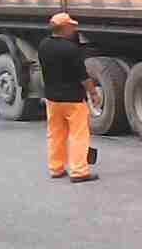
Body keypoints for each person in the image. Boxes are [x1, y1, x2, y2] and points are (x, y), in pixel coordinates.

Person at [38, 12, 99, 183]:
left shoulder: (43, 45)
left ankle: (56, 168)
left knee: (55, 133)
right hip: (73, 99)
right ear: (64, 28)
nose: (74, 29)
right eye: (71, 26)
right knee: (78, 134)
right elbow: (83, 76)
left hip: (52, 99)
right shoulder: (71, 49)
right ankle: (79, 171)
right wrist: (93, 93)